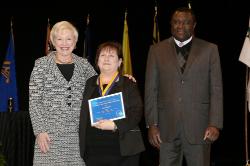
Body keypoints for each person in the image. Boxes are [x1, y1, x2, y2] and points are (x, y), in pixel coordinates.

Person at [144, 7, 223, 166]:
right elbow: (150, 90)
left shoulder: (210, 49)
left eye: (186, 23)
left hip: (200, 129)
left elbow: (216, 89)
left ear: (194, 25)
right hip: (166, 129)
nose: (180, 26)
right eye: (176, 22)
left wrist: (215, 123)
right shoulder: (156, 50)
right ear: (171, 24)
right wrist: (152, 124)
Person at [29, 21, 97, 165]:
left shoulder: (84, 64)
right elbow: (34, 101)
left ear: (75, 41)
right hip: (48, 137)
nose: (64, 43)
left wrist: (121, 80)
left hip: (78, 138)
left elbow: (101, 84)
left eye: (69, 39)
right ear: (53, 41)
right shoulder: (41, 64)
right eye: (59, 39)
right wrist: (40, 131)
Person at [79, 41, 145, 166]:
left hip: (123, 152)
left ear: (120, 62)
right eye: (102, 55)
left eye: (111, 56)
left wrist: (115, 125)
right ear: (97, 60)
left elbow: (137, 112)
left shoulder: (128, 83)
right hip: (93, 151)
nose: (106, 59)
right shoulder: (89, 83)